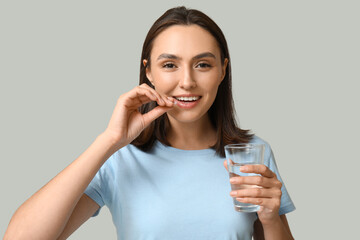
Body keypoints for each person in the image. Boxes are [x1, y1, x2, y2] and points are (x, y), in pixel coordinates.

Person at [4, 6, 295, 240]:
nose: (187, 82)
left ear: (222, 70)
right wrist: (109, 140)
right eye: (170, 65)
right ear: (149, 73)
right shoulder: (120, 158)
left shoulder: (252, 154)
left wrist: (270, 219)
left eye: (203, 64)